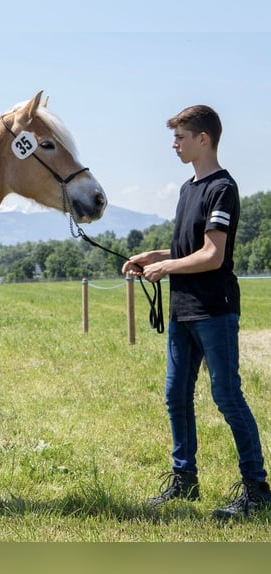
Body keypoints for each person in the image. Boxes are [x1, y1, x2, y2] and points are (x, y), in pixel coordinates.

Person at [122, 104, 271, 519]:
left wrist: (165, 267)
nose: (174, 144)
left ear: (203, 139)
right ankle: (184, 482)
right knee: (175, 396)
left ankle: (257, 489)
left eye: (180, 137)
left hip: (214, 310)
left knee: (226, 396)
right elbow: (188, 249)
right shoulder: (188, 189)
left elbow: (212, 255)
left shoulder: (223, 188)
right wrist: (151, 255)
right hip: (183, 310)